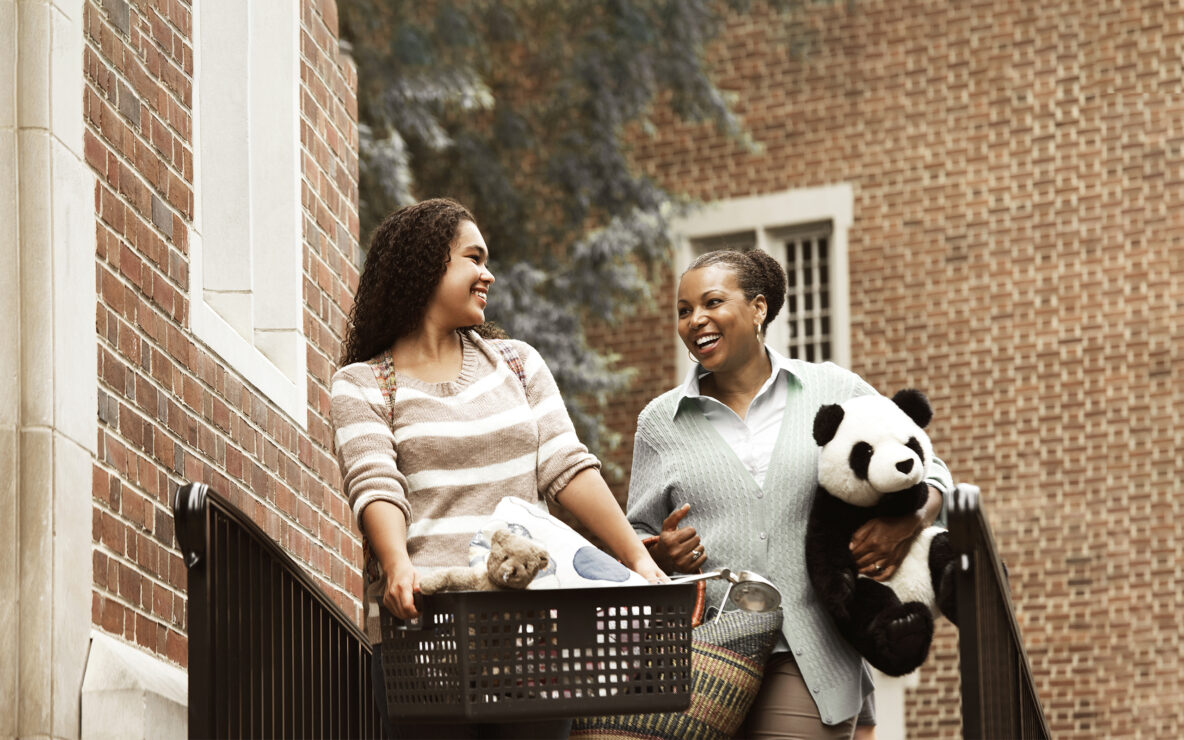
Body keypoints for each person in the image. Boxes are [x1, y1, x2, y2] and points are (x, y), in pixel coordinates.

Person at [331, 198, 665, 739]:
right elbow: (376, 484)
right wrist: (396, 566)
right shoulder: (365, 385)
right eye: (473, 258)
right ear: (426, 265)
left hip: (534, 647)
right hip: (427, 647)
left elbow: (567, 467)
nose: (488, 274)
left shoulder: (517, 362)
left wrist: (635, 560)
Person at [626, 248, 953, 739]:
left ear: (758, 308)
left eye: (712, 302)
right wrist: (662, 554)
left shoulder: (832, 388)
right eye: (683, 310)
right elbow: (638, 536)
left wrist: (908, 521)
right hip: (708, 659)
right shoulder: (660, 423)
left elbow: (931, 468)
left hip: (808, 651)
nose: (696, 320)